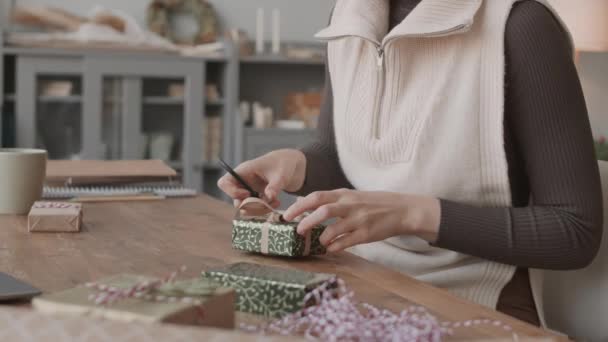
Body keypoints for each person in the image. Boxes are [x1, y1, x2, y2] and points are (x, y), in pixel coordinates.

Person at [219, 0, 603, 326]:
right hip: (359, 281)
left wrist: (413, 214)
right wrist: (298, 164)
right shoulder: (350, 14)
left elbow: (574, 230)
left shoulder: (522, 26)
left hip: (477, 304)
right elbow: (342, 154)